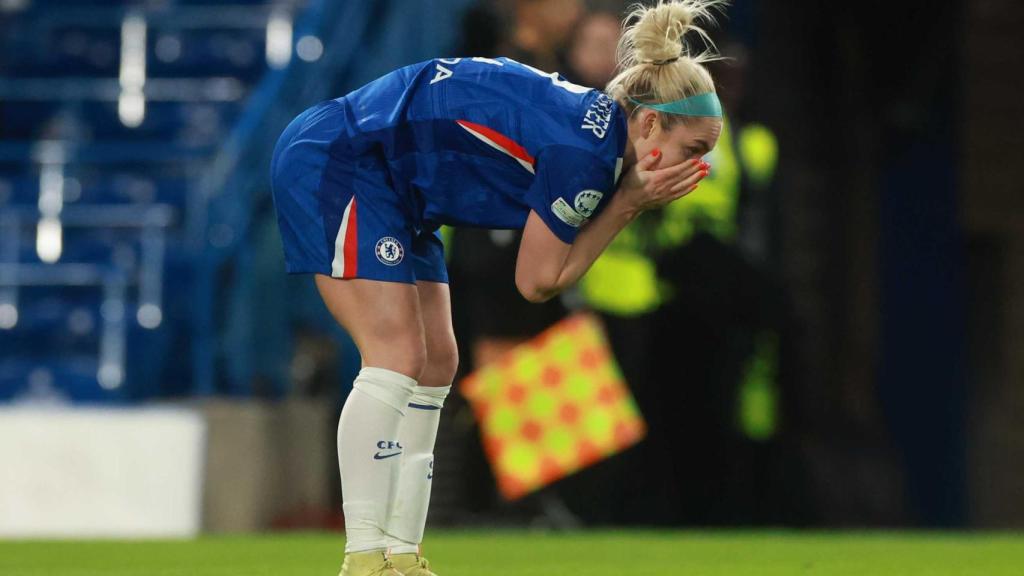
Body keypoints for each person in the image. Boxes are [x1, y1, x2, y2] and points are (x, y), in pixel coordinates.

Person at [270, 1, 725, 574]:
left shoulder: (596, 131)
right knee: (397, 356)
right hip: (345, 160)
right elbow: (537, 281)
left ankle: (403, 557)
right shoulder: (585, 156)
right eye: (694, 151)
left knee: (437, 362)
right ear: (651, 122)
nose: (695, 169)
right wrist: (630, 202)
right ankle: (362, 558)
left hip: (401, 188)